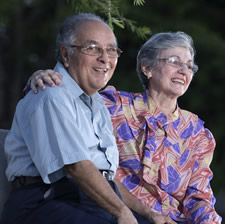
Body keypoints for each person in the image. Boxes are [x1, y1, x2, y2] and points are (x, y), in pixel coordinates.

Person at [28, 31, 222, 224]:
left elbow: (199, 197)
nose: (183, 70)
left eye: (189, 66)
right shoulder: (113, 107)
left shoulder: (199, 134)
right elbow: (62, 104)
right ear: (147, 68)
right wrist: (43, 77)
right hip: (118, 215)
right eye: (174, 61)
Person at [2, 13, 175, 224]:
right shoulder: (51, 95)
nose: (105, 58)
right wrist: (122, 213)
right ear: (65, 54)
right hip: (43, 202)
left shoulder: (97, 103)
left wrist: (149, 214)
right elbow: (77, 167)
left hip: (85, 198)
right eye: (92, 48)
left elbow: (104, 179)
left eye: (111, 50)